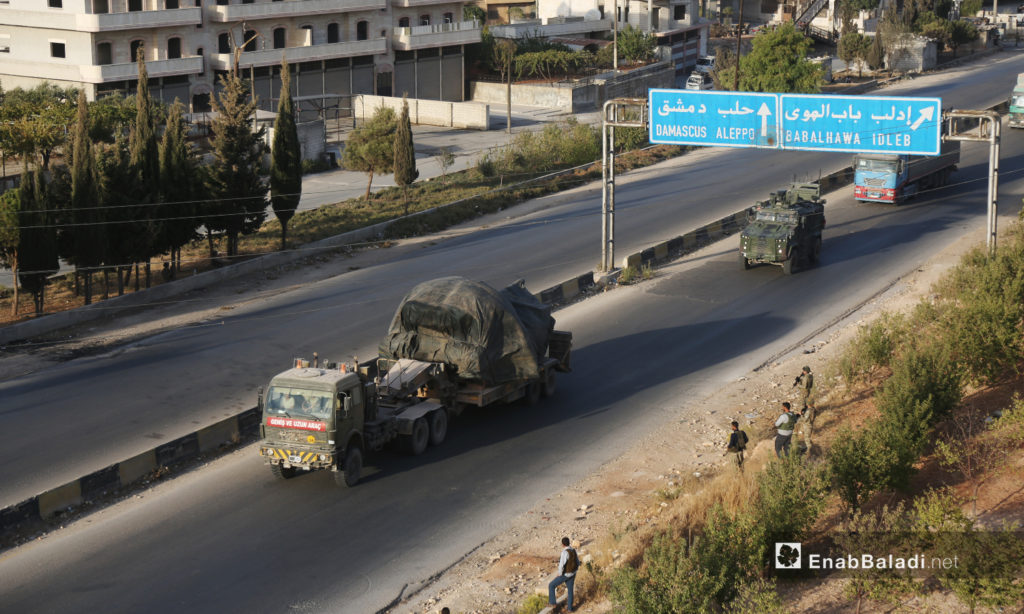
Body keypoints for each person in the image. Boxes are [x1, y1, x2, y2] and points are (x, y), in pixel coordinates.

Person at [548, 536, 579, 612]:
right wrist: (574, 571)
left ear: (562, 544)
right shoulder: (574, 550)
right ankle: (570, 609)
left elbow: (561, 565)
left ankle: (552, 603)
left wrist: (559, 574)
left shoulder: (564, 552)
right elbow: (578, 562)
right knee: (570, 590)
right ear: (569, 543)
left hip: (565, 575)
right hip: (573, 574)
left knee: (551, 585)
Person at [794, 366, 816, 452]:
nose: (802, 372)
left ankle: (809, 450)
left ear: (805, 371)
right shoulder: (810, 376)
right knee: (805, 405)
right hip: (808, 391)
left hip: (804, 392)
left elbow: (804, 386)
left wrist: (798, 385)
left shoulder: (807, 377)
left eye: (803, 371)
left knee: (802, 404)